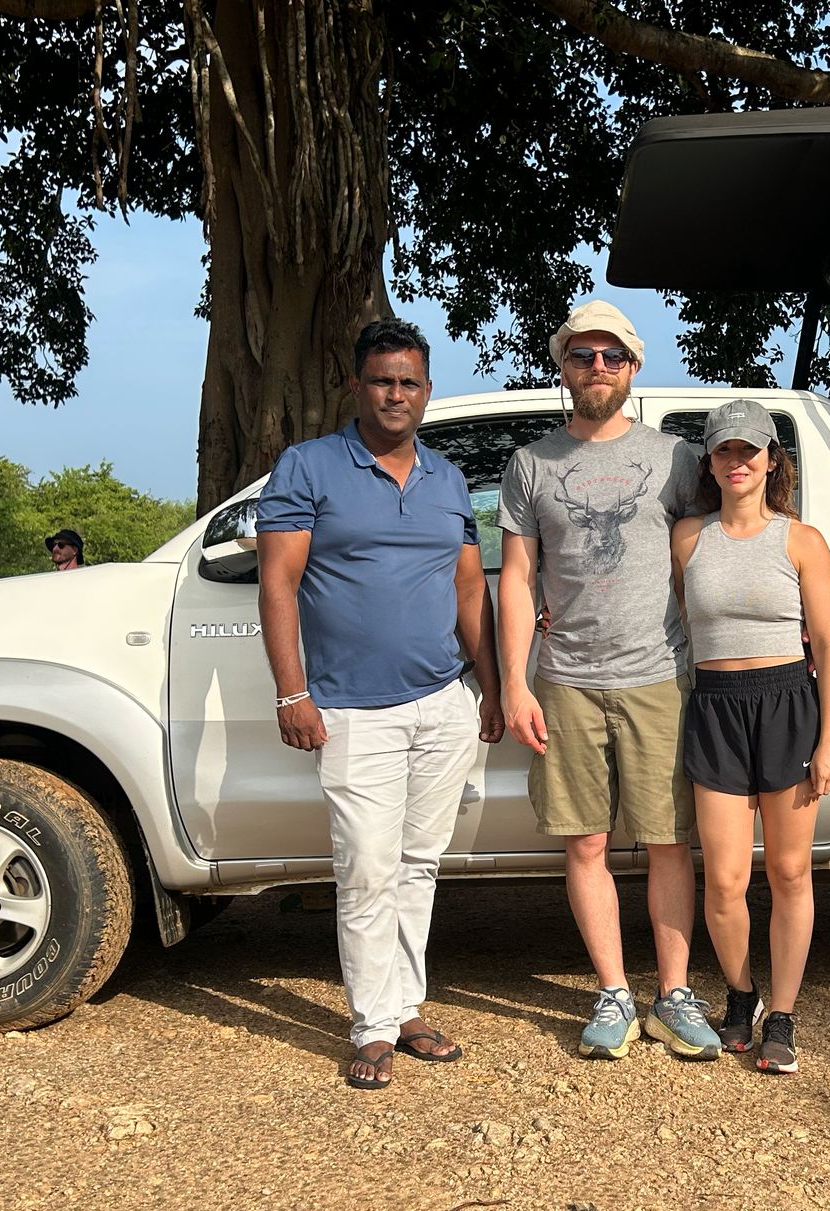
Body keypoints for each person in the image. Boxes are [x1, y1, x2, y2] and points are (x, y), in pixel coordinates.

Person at [255, 318, 505, 1090]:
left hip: (442, 701)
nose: (396, 394)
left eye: (409, 382)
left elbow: (470, 587)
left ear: (427, 392)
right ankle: (371, 1027)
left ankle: (407, 1010)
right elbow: (278, 584)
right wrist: (292, 692)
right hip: (351, 709)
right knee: (366, 867)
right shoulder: (309, 467)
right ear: (357, 386)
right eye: (382, 380)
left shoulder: (447, 478)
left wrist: (490, 686)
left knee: (418, 867)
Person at [497, 299, 717, 1062]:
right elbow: (519, 577)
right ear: (562, 364)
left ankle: (675, 994)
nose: (597, 368)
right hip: (566, 680)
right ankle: (614, 993)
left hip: (661, 675)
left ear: (633, 367)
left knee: (667, 842)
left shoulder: (678, 460)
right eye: (583, 355)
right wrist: (516, 684)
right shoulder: (530, 465)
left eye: (612, 356)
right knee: (584, 842)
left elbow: (710, 555)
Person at [670, 400, 830, 1075]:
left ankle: (785, 1016)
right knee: (725, 880)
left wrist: (829, 741)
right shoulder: (688, 537)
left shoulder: (801, 541)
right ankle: (741, 996)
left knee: (791, 871)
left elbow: (828, 646)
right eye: (723, 452)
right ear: (709, 464)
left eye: (750, 450)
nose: (737, 462)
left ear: (773, 460)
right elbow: (673, 625)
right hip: (715, 710)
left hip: (788, 706)